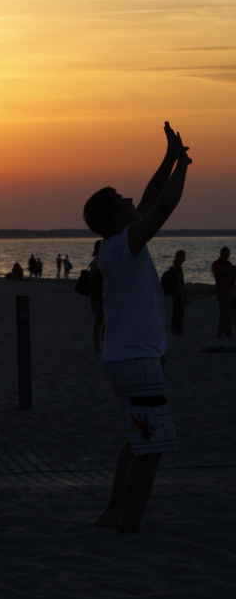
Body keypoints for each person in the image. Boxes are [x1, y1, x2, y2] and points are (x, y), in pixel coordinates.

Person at [82, 121, 191, 534]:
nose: (131, 200)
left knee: (139, 438)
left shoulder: (117, 244)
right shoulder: (121, 245)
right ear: (114, 216)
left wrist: (168, 158)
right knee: (153, 445)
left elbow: (147, 199)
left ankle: (114, 513)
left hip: (130, 359)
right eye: (121, 200)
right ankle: (129, 524)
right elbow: (161, 208)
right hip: (136, 360)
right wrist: (183, 168)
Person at [211, 247, 235, 338]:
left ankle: (220, 332)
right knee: (226, 312)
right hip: (222, 291)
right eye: (226, 254)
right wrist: (227, 271)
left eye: (228, 254)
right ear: (222, 254)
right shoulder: (216, 264)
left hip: (229, 290)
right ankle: (228, 332)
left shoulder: (229, 264)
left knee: (226, 312)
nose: (228, 256)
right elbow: (217, 276)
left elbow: (232, 279)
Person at [88, 240, 104, 352]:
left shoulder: (96, 261)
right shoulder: (98, 262)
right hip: (99, 295)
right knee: (100, 321)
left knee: (100, 321)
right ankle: (97, 345)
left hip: (97, 295)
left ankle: (99, 345)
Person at [169, 250, 187, 336]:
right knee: (179, 311)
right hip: (177, 292)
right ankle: (177, 329)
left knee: (177, 310)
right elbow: (179, 281)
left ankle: (175, 328)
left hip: (175, 291)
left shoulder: (175, 267)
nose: (184, 258)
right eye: (183, 256)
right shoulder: (177, 268)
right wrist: (182, 293)